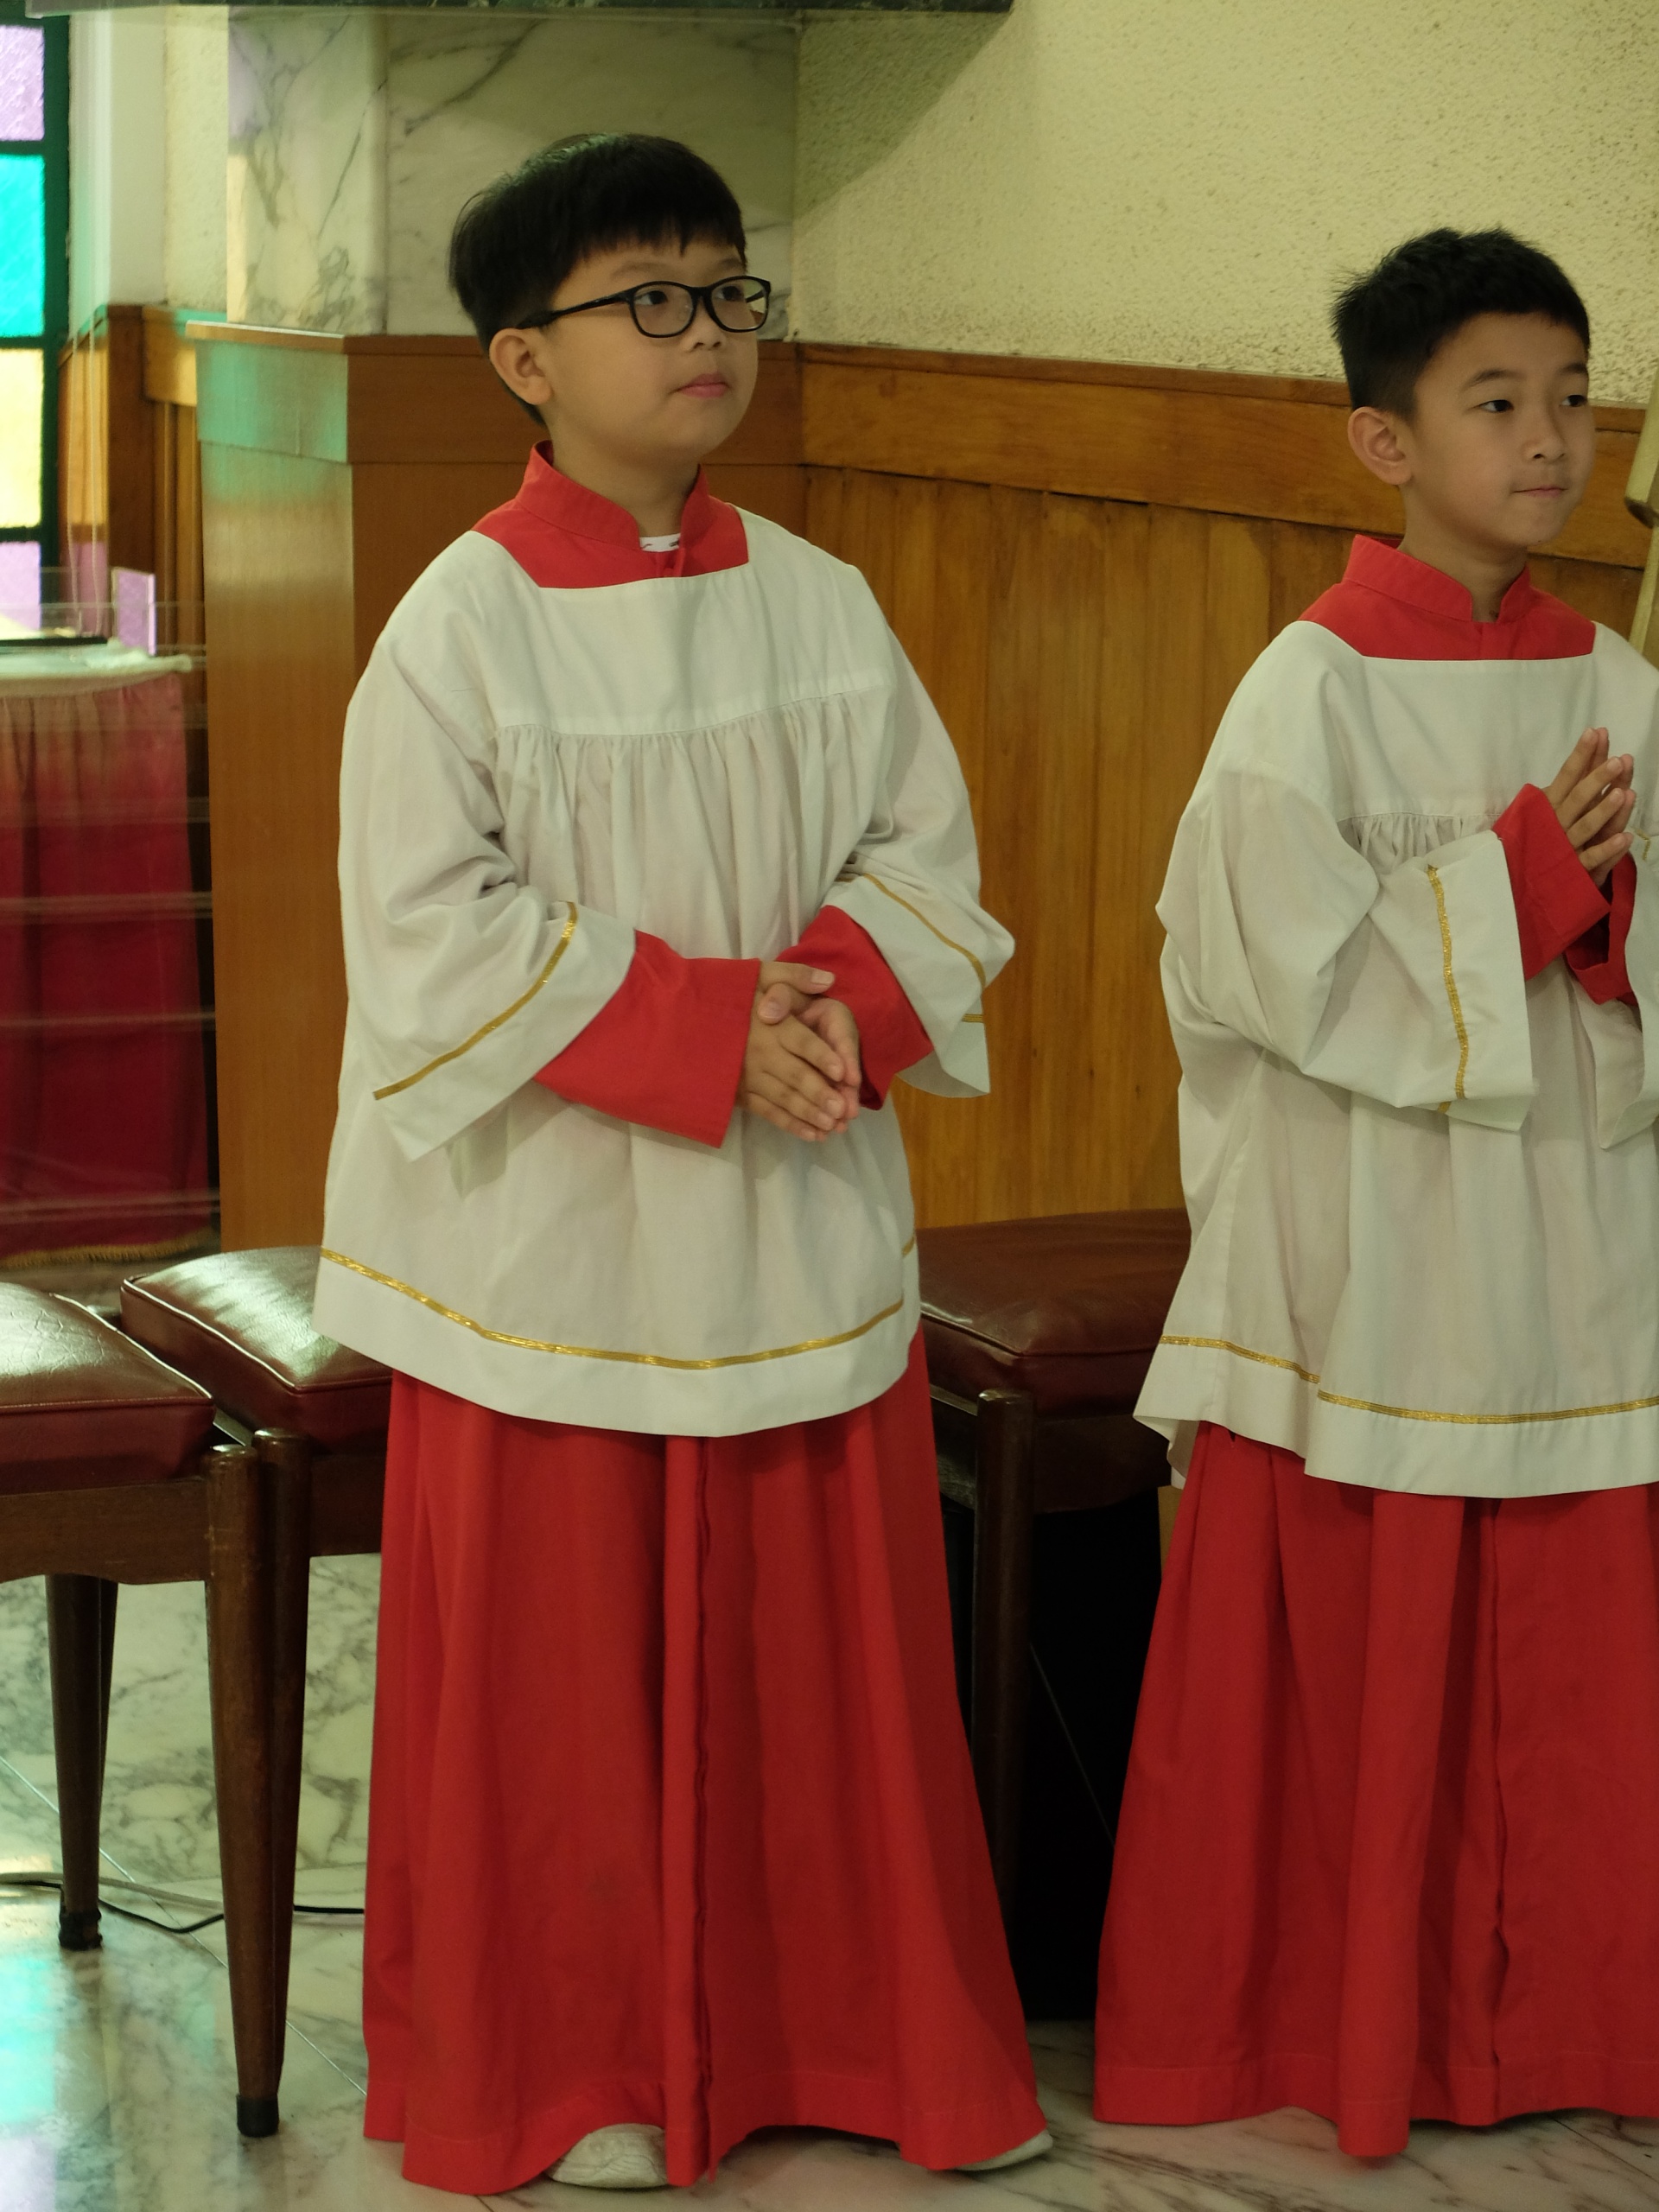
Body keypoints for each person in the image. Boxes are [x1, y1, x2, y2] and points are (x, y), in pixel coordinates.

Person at [311, 133, 1049, 2196]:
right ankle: (573, 2065)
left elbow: (925, 857)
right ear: (523, 358)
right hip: (556, 1237)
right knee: (559, 1694)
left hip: (787, 1209)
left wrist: (827, 1012)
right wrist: (711, 1029)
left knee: (818, 1670)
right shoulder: (457, 629)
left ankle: (844, 2041)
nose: (705, 331)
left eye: (730, 290)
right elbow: (426, 936)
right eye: (650, 297)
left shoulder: (822, 601)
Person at [1094, 227, 1659, 2157]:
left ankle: (1578, 2023)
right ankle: (1343, 2029)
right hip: (1378, 1247)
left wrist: (1612, 921)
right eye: (1497, 402)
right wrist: (1530, 881)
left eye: (1572, 398)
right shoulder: (1310, 692)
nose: (1551, 439)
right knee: (1367, 1644)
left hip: (1576, 1241)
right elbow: (1274, 970)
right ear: (1383, 440)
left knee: (1582, 1660)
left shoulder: (1616, 678)